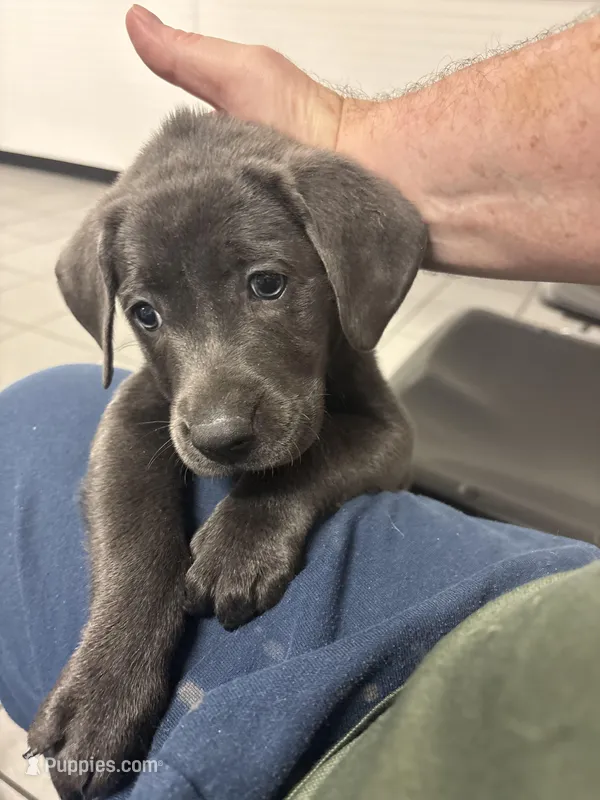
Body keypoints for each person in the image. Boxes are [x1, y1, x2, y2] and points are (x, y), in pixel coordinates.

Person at [1, 8, 599, 800]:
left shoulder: (322, 222)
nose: (213, 410)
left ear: (330, 260)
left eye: (267, 284)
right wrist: (124, 632)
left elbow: (384, 433)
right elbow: (129, 422)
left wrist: (274, 501)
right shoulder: (134, 245)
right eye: (148, 315)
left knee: (27, 420)